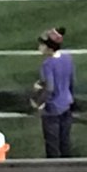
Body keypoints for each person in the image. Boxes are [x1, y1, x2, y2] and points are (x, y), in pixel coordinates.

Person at [32, 28, 75, 158]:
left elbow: (49, 88)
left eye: (42, 44)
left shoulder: (47, 64)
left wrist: (38, 102)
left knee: (52, 144)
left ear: (49, 47)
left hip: (52, 109)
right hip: (67, 105)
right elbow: (71, 81)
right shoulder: (67, 58)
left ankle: (53, 167)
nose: (40, 47)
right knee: (65, 141)